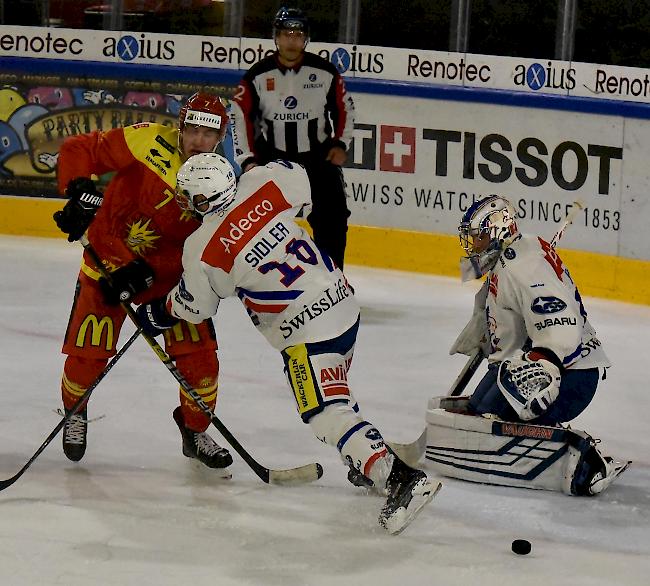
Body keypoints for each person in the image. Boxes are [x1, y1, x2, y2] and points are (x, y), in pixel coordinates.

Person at [134, 153, 439, 534]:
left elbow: (195, 307)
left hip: (308, 330)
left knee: (325, 412)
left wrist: (157, 313)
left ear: (203, 201)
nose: (183, 201)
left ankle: (401, 479)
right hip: (342, 302)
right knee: (336, 396)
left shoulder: (201, 248)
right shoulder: (263, 181)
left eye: (188, 195)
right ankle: (364, 460)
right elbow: (313, 179)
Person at [52, 92, 233, 473]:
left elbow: (209, 251)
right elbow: (79, 147)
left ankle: (194, 429)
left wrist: (162, 277)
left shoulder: (222, 182)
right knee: (88, 357)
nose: (199, 140)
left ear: (221, 139)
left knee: (201, 362)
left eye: (208, 134)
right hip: (107, 262)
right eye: (193, 130)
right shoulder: (147, 139)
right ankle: (75, 412)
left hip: (169, 285)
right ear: (181, 127)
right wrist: (77, 191)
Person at [420, 195, 627, 496]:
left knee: (493, 413)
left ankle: (585, 461)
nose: (472, 245)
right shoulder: (514, 252)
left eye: (476, 237)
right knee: (480, 409)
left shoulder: (524, 267)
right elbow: (501, 300)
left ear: (497, 231)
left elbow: (561, 320)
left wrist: (544, 366)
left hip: (571, 374)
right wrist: (484, 331)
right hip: (536, 361)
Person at [230, 6, 354, 270]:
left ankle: (334, 278)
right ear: (276, 37)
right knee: (261, 222)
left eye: (297, 34)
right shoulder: (257, 75)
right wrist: (248, 160)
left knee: (333, 219)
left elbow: (345, 109)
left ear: (306, 38)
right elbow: (240, 116)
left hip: (318, 158)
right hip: (273, 158)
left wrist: (341, 144)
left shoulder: (324, 72)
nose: (292, 40)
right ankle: (263, 277)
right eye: (286, 34)